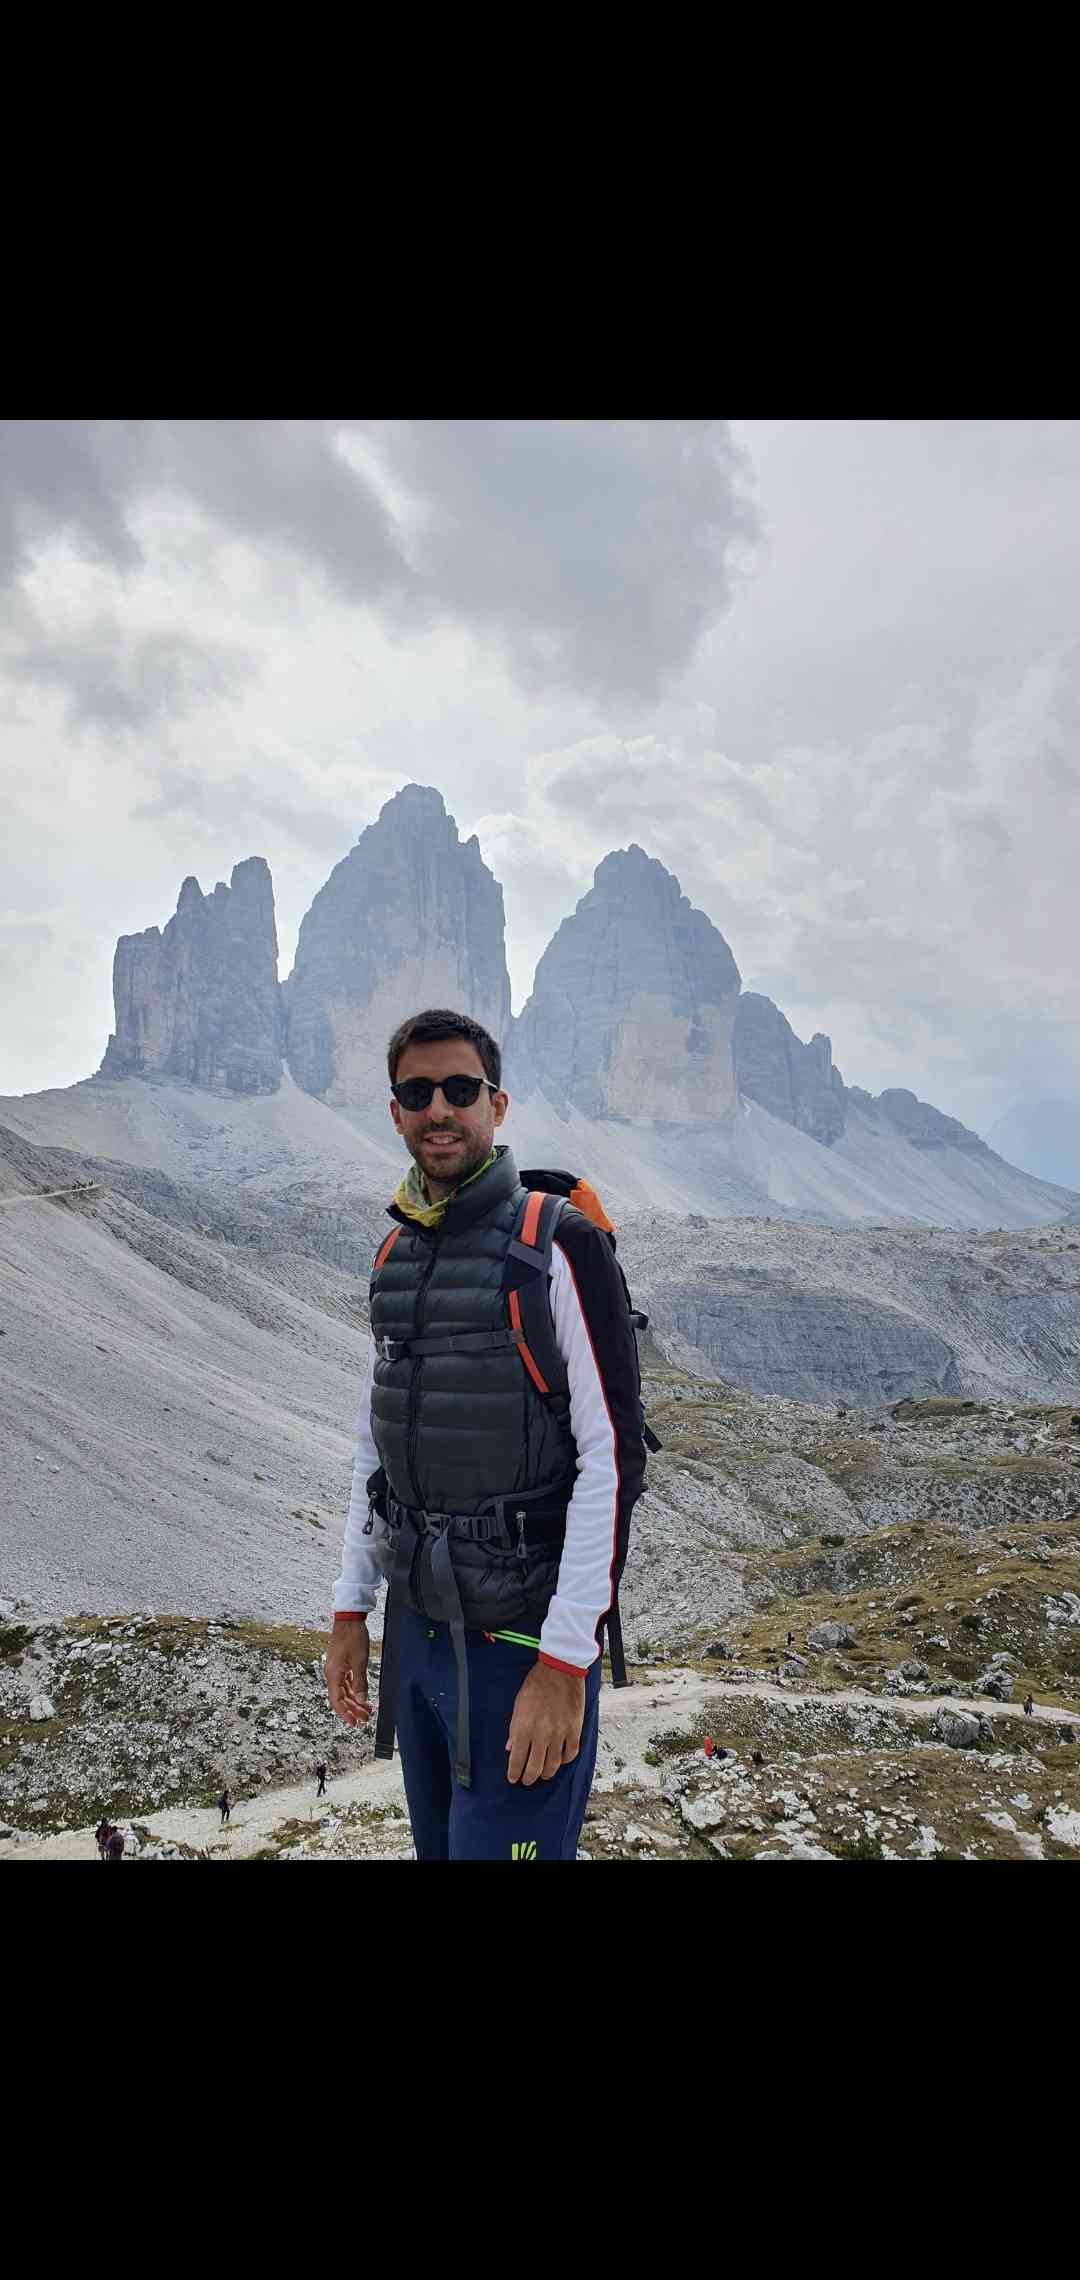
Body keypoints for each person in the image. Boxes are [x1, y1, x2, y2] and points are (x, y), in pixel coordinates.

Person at [324, 1009, 648, 1862]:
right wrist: (351, 1606)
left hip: (522, 1642)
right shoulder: (393, 1256)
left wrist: (565, 1664)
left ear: (496, 1105)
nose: (439, 1109)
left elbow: (611, 1461)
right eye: (417, 1092)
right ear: (395, 1111)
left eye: (460, 1089)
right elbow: (376, 1447)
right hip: (419, 1635)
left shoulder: (559, 1245)